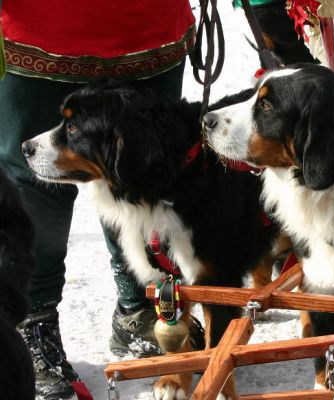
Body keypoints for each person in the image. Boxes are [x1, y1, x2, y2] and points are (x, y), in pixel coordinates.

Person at [0, 1, 195, 399]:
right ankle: (29, 319)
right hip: (39, 27)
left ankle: (141, 305)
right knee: (34, 180)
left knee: (144, 167)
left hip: (147, 26)